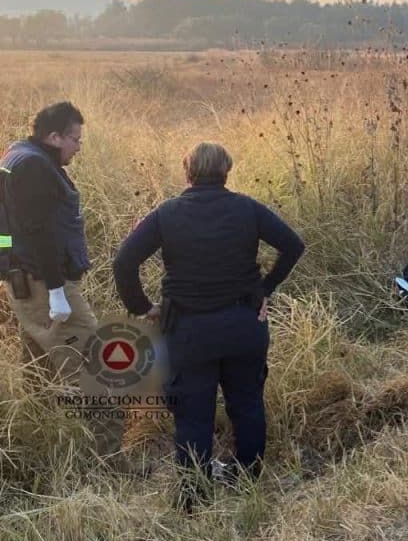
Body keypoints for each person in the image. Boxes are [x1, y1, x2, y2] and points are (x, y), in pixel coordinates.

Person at [113, 141, 305, 509]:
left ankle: (193, 499)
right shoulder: (247, 209)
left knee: (193, 415)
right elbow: (293, 246)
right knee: (247, 404)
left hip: (188, 331)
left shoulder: (167, 213)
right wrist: (264, 289)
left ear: (188, 172)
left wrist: (143, 308)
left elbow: (124, 262)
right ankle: (247, 482)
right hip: (243, 325)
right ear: (226, 171)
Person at [0, 102, 97, 384]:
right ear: (54, 137)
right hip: (42, 280)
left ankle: (39, 423)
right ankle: (103, 427)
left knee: (39, 363)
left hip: (26, 279)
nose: (78, 147)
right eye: (75, 139)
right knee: (88, 354)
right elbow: (38, 232)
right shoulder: (33, 166)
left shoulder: (18, 154)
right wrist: (56, 290)